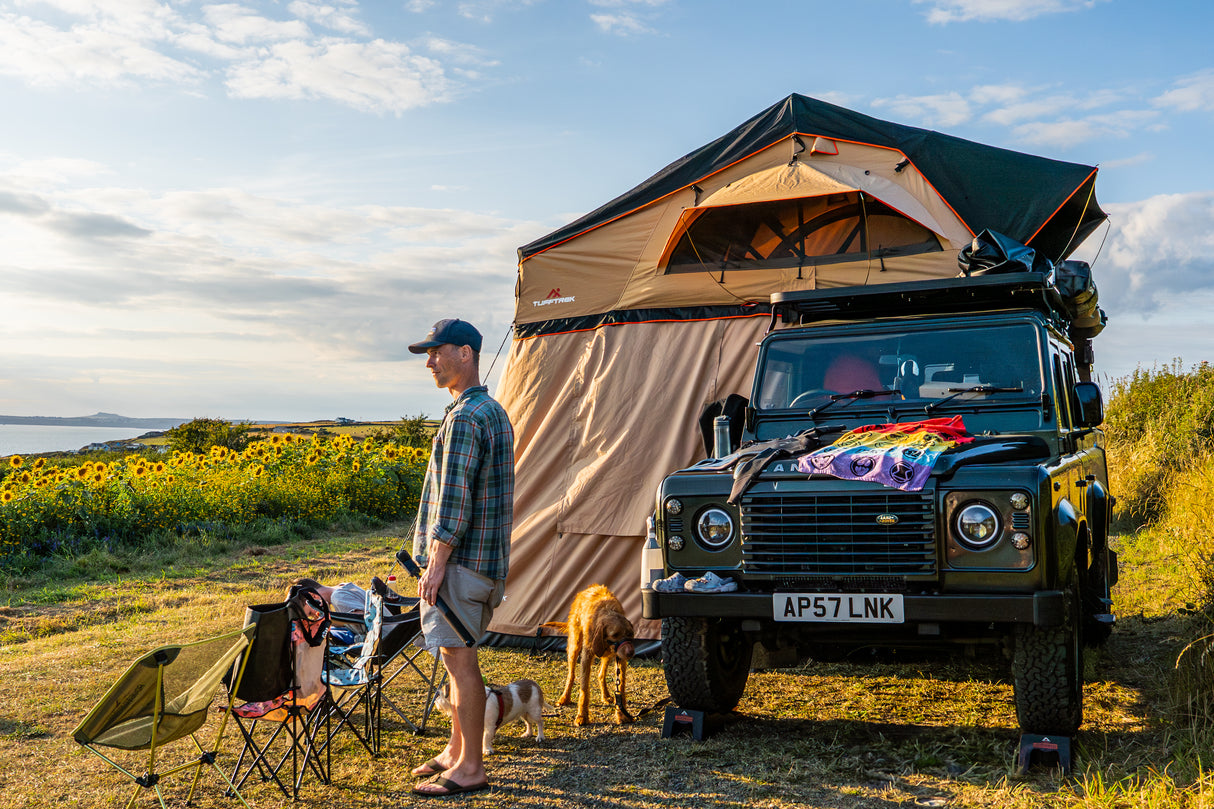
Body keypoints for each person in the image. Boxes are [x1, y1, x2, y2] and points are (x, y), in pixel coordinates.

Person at [406, 318, 515, 798]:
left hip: (462, 565)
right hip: (484, 563)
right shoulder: (491, 411)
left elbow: (454, 502)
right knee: (456, 661)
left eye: (437, 352)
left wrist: (435, 564)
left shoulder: (467, 417)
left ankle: (471, 768)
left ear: (466, 353)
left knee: (460, 661)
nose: (430, 362)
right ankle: (455, 749)